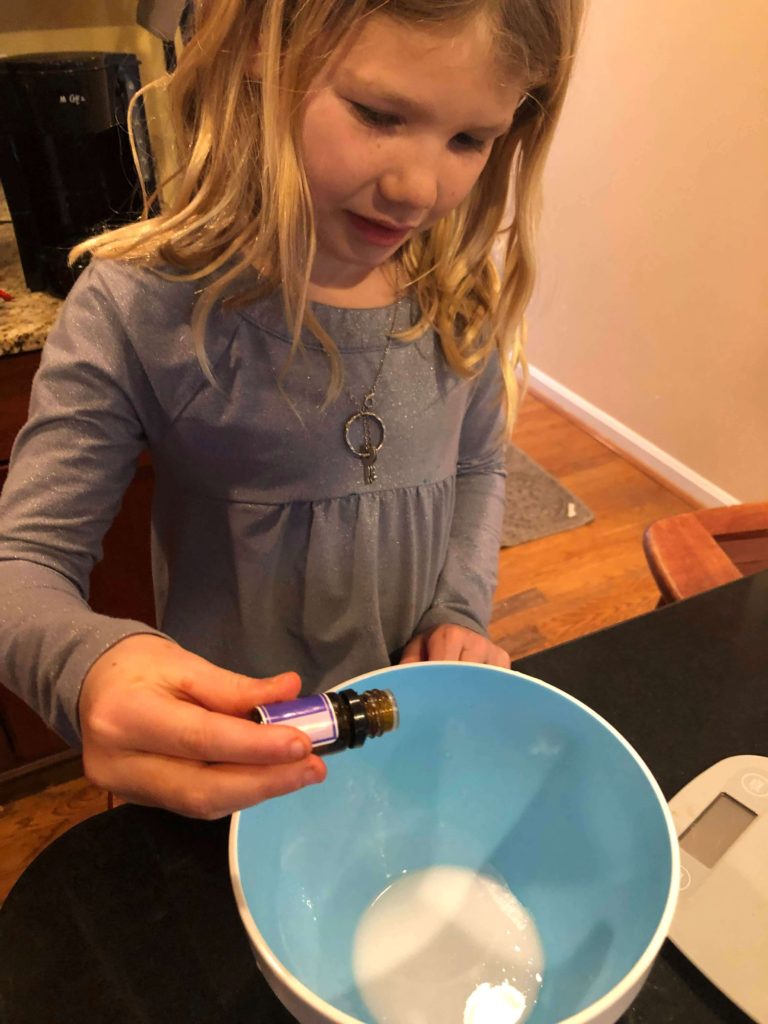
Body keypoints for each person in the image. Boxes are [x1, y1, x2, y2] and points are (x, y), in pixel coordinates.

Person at [0, 0, 582, 818]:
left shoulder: (460, 292)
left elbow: (480, 464)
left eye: (469, 140)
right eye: (379, 114)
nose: (419, 191)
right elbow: (20, 564)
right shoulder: (139, 308)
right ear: (258, 52)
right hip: (219, 770)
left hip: (401, 746)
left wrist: (457, 606)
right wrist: (86, 664)